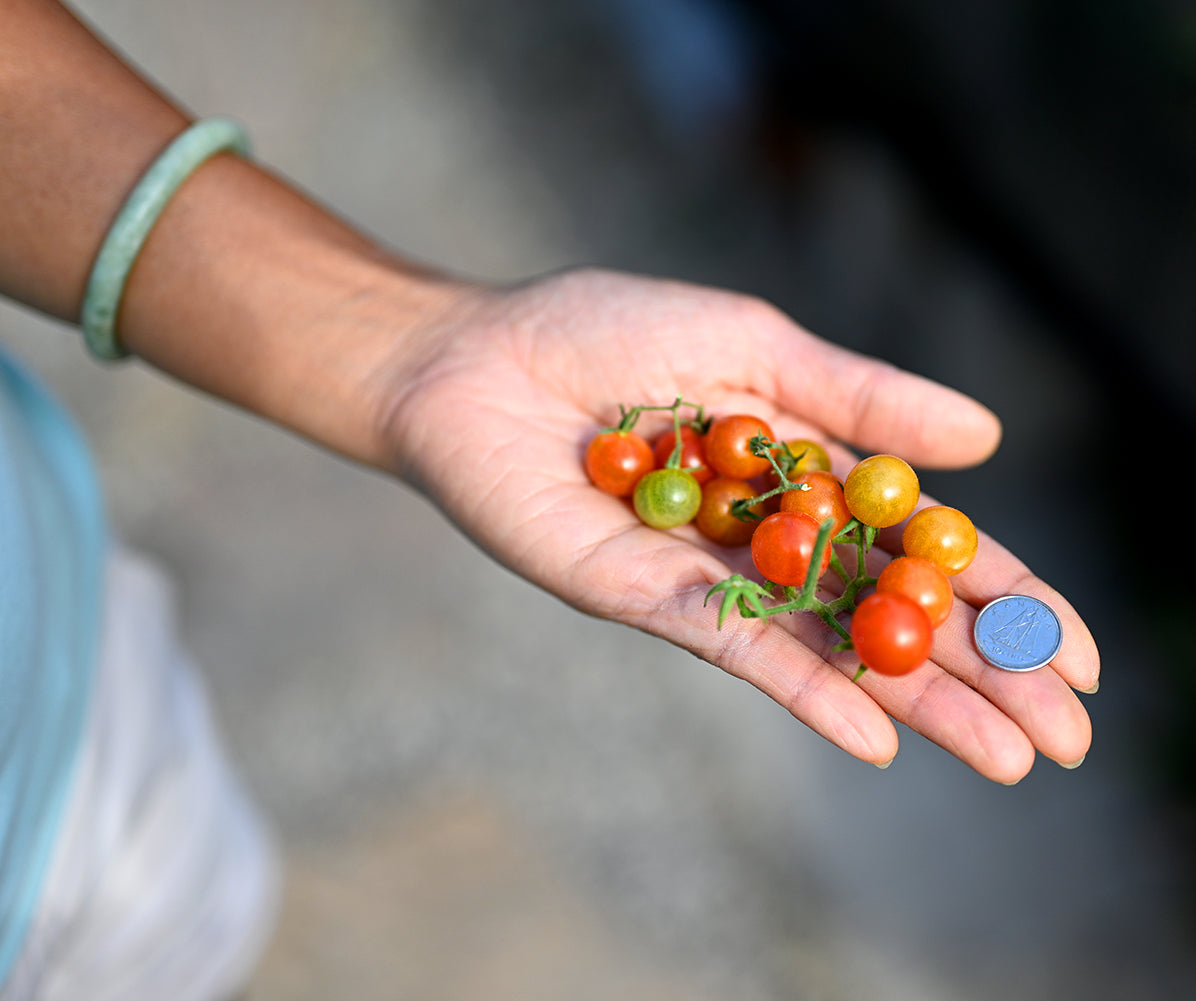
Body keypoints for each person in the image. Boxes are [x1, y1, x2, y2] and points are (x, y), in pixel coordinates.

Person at [0, 1, 1098, 997]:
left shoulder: (777, 506)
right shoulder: (788, 526)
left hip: (72, 707)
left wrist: (421, 345)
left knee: (186, 930)